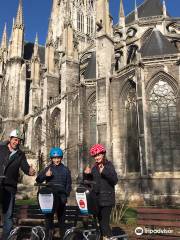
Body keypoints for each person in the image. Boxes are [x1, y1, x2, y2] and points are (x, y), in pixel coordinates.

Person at [0, 129, 36, 239]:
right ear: (10, 139)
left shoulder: (20, 154)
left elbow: (25, 167)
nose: (17, 142)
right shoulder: (1, 149)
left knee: (8, 216)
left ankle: (6, 238)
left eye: (19, 140)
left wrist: (30, 171)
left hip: (10, 187)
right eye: (15, 140)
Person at [36, 147, 72, 240]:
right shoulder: (48, 168)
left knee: (61, 220)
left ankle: (63, 236)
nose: (56, 160)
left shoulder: (66, 170)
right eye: (54, 158)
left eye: (58, 158)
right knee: (48, 220)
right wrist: (45, 175)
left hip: (61, 198)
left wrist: (66, 194)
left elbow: (69, 184)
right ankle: (48, 237)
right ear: (51, 159)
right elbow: (38, 179)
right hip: (50, 198)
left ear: (61, 158)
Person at [84, 144, 118, 240]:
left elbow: (115, 180)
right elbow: (89, 184)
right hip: (97, 200)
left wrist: (104, 171)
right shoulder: (94, 168)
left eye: (99, 155)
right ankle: (105, 237)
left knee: (104, 223)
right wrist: (86, 175)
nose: (97, 157)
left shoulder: (109, 165)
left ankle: (110, 238)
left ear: (103, 154)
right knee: (99, 223)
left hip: (107, 199)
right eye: (95, 156)